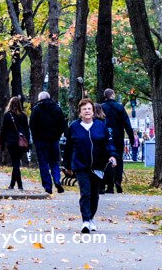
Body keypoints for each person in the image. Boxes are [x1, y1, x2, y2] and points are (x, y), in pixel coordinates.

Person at [62, 98, 118, 233]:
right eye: (84, 109)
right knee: (85, 192)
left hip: (98, 166)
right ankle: (85, 221)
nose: (87, 111)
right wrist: (67, 165)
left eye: (89, 109)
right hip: (80, 165)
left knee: (95, 194)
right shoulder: (74, 127)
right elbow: (68, 147)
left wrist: (112, 155)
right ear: (80, 113)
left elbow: (108, 143)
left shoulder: (101, 126)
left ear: (93, 112)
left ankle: (91, 217)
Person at [29, 91, 66, 195]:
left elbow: (32, 125)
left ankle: (47, 185)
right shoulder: (57, 108)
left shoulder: (36, 109)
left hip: (41, 141)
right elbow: (62, 124)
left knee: (43, 163)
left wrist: (36, 139)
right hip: (54, 140)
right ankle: (57, 179)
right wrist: (57, 135)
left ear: (39, 99)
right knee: (55, 162)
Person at [100, 88, 135, 193]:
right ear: (113, 95)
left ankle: (107, 184)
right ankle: (118, 180)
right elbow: (127, 124)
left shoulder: (102, 107)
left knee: (106, 160)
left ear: (105, 96)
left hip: (105, 138)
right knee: (118, 160)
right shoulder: (120, 107)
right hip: (118, 137)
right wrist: (132, 139)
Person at [0, 96, 29, 190]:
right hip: (21, 142)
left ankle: (14, 185)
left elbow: (3, 131)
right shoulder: (23, 115)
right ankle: (17, 185)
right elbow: (27, 130)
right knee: (16, 162)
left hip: (11, 142)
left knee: (15, 163)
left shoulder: (7, 115)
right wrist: (27, 143)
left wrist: (2, 144)